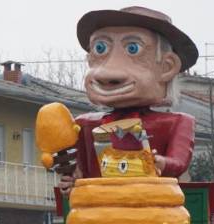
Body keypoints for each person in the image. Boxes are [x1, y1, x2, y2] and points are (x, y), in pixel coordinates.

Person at [58, 6, 197, 195]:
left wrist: (161, 163)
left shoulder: (178, 122)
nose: (109, 73)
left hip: (152, 207)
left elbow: (179, 162)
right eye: (100, 48)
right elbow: (82, 173)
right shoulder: (84, 124)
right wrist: (72, 183)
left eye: (133, 48)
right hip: (99, 210)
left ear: (167, 67)